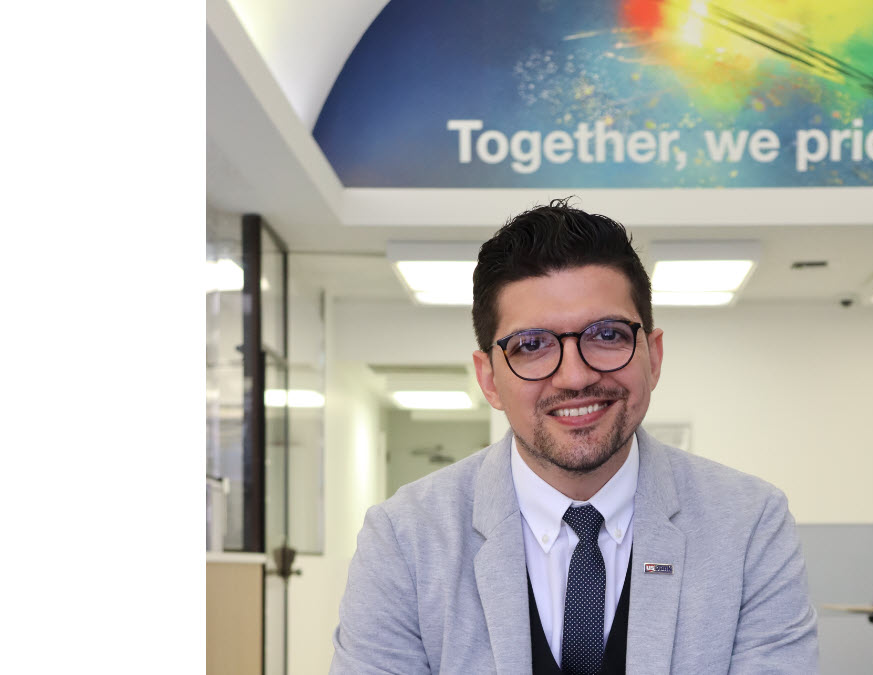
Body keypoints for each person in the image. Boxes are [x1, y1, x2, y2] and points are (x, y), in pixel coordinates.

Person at [331, 199, 819, 674]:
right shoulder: (406, 538)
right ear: (488, 379)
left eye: (607, 335)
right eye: (532, 345)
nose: (574, 377)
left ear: (653, 356)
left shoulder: (750, 524)